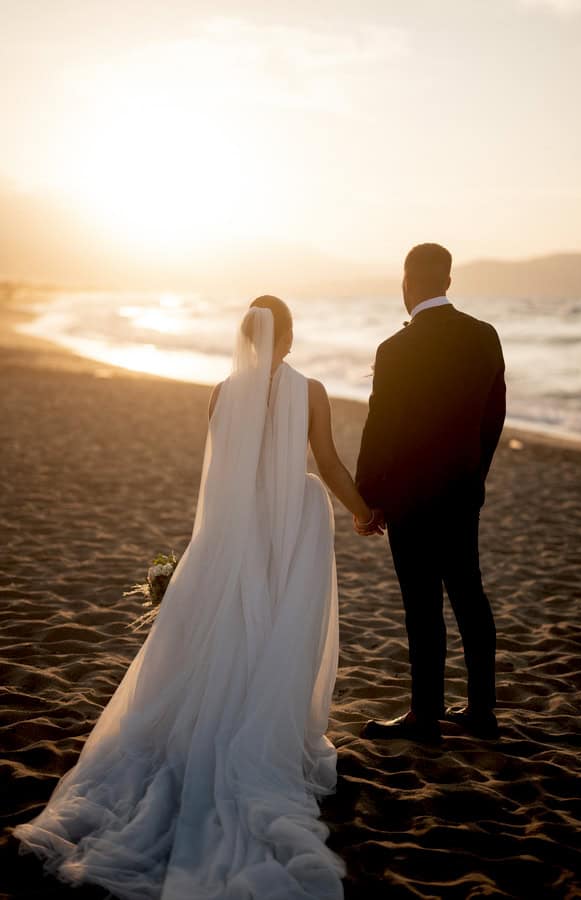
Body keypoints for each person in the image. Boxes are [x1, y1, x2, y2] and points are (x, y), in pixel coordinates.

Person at [14, 296, 375, 900]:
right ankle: (270, 731)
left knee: (232, 626)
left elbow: (222, 480)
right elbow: (330, 464)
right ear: (285, 338)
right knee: (285, 630)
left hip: (234, 531)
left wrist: (214, 543)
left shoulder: (221, 392)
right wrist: (364, 512)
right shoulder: (309, 390)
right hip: (293, 523)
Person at [355, 244, 506, 744]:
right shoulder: (484, 336)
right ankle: (482, 711)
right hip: (463, 491)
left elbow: (382, 429)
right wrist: (475, 473)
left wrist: (368, 495)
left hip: (412, 497)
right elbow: (493, 416)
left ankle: (426, 714)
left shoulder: (395, 350)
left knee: (422, 604)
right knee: (469, 594)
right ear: (447, 280)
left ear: (407, 283)